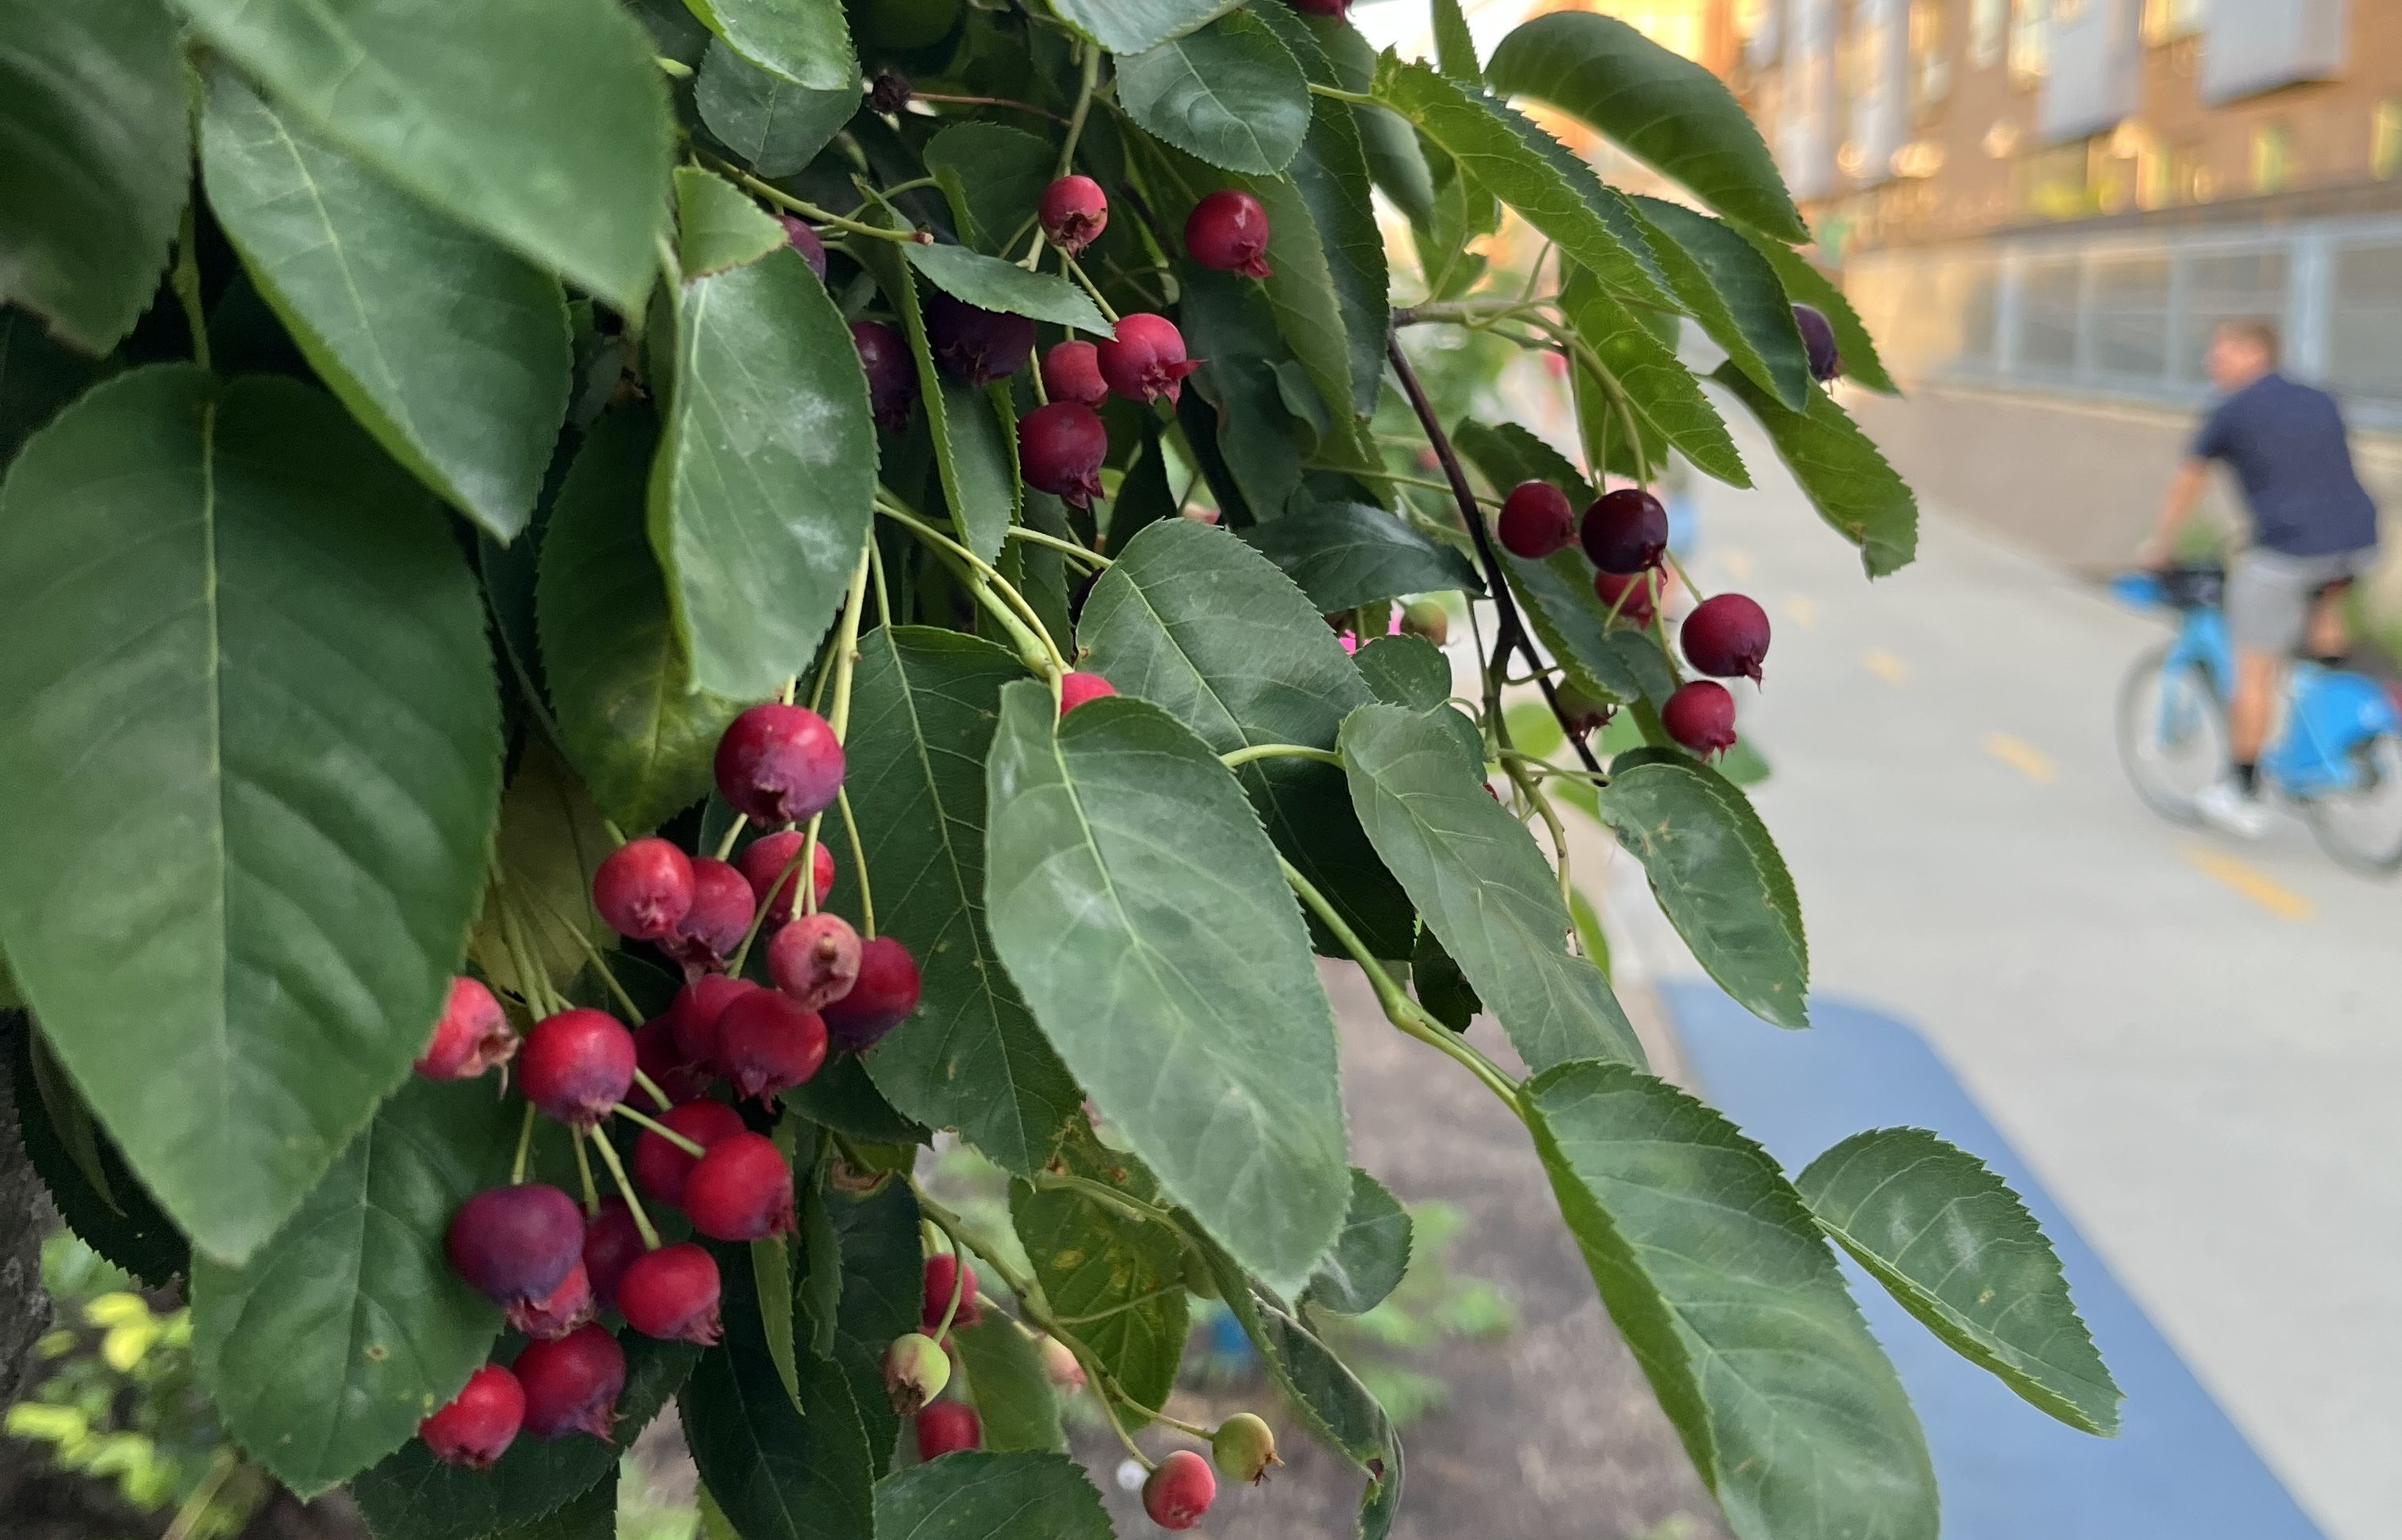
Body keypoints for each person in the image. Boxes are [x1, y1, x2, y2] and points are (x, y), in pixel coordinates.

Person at [2141, 318, 2381, 837]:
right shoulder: (2320, 398)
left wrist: (2160, 545)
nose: (2212, 362)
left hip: (2289, 552)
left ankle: (2242, 792)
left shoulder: (2231, 410)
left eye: (2222, 351)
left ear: (2256, 352)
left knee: (2254, 670)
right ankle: (2328, 736)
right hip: (2357, 543)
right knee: (2323, 628)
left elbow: (2188, 481)